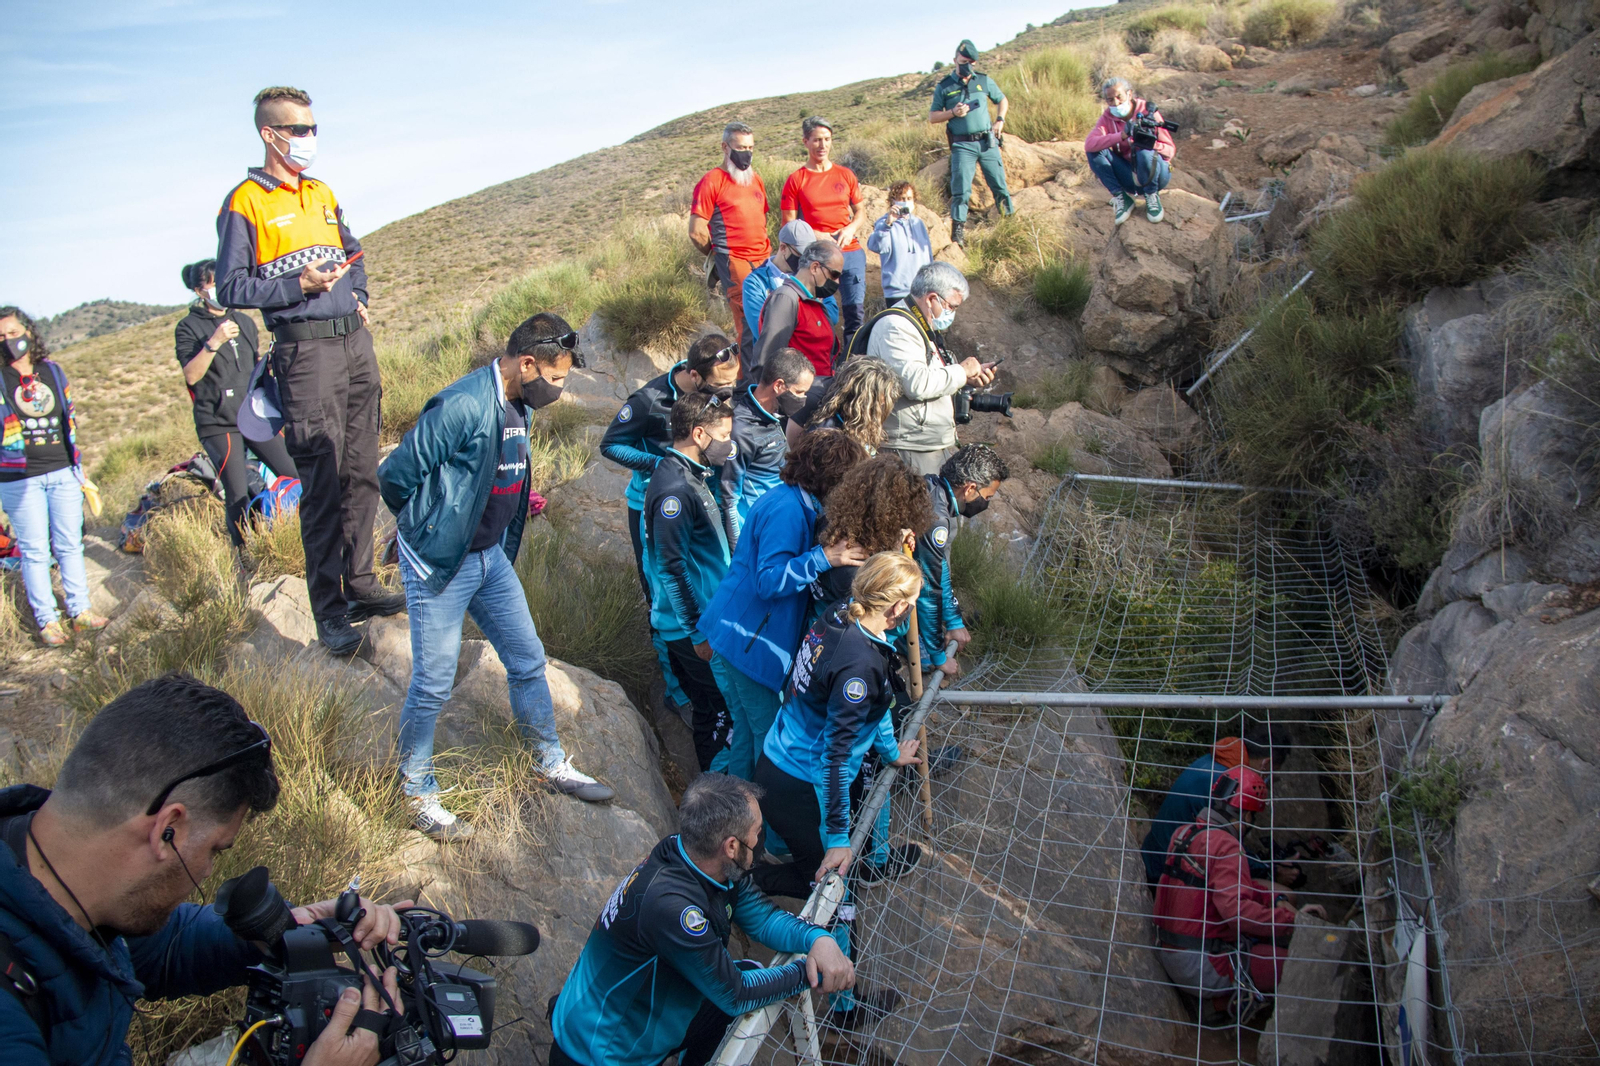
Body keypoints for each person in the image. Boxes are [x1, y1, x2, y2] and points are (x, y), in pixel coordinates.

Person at [0, 673, 413, 1066]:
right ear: (168, 829)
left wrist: (291, 930)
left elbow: (165, 945)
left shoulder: (57, 870)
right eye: (216, 849)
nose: (208, 873)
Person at [378, 313, 614, 841]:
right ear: (526, 363)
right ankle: (416, 790)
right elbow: (396, 478)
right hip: (443, 564)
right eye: (554, 379)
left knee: (527, 658)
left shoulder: (517, 404)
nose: (558, 389)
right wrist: (430, 532)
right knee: (435, 682)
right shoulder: (461, 404)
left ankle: (547, 761)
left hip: (489, 560)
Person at [216, 86, 402, 656]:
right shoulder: (244, 202)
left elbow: (355, 248)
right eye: (298, 130)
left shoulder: (322, 191)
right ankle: (329, 612)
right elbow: (231, 285)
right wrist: (296, 285)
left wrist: (360, 292)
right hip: (304, 357)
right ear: (271, 135)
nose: (309, 139)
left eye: (313, 128)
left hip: (355, 348)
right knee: (322, 486)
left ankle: (363, 584)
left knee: (362, 473)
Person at [549, 773, 854, 1066]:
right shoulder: (673, 910)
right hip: (601, 1051)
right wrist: (808, 973)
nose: (762, 837)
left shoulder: (696, 855)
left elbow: (762, 920)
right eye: (758, 832)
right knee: (740, 988)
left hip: (645, 1013)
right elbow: (736, 995)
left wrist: (818, 939)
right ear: (732, 846)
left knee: (749, 971)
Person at [754, 552, 926, 1023]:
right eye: (911, 601)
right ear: (895, 609)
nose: (912, 610)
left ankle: (757, 880)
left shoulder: (839, 616)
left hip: (777, 761)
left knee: (819, 871)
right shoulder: (859, 665)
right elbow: (833, 757)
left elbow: (880, 704)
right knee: (837, 891)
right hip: (802, 784)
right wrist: (837, 838)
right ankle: (844, 1006)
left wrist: (891, 753)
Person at [702, 429, 868, 784]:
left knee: (745, 735)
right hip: (745, 645)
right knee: (767, 744)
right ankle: (764, 828)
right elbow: (769, 580)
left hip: (738, 637)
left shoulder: (793, 500)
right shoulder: (788, 511)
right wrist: (824, 557)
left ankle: (728, 808)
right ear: (832, 479)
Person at [601, 334, 741, 715]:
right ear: (694, 376)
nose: (729, 393)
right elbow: (609, 445)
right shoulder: (649, 400)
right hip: (656, 501)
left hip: (699, 494)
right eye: (720, 386)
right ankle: (676, 688)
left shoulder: (717, 403)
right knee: (660, 591)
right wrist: (661, 464)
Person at [1152, 765, 1326, 1024]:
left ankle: (1219, 998)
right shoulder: (1228, 847)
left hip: (1171, 954)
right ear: (1244, 816)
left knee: (1263, 938)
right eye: (1252, 817)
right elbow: (1236, 913)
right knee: (1295, 965)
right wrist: (1291, 922)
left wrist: (1271, 899)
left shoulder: (1184, 833)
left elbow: (1228, 888)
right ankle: (1221, 1003)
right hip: (1200, 966)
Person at [173, 259, 299, 553]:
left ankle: (290, 533)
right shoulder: (188, 327)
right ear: (198, 289)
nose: (219, 288)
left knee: (293, 472)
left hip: (252, 414)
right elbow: (191, 375)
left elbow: (255, 368)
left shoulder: (243, 320)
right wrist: (213, 343)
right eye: (212, 283)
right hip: (218, 422)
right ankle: (245, 554)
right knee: (237, 492)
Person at [642, 392, 737, 772]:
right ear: (699, 435)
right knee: (713, 711)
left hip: (706, 618)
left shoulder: (689, 473)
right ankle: (714, 798)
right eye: (724, 435)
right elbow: (671, 569)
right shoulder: (675, 492)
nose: (729, 445)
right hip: (691, 630)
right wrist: (698, 634)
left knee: (718, 708)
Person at [0, 308, 106, 646]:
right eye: (0, 337)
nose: (9, 341)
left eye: (13, 332)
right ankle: (48, 621)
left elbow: (68, 420)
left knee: (70, 544)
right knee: (34, 552)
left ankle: (81, 612)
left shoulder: (53, 372)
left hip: (62, 470)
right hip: (19, 478)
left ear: (29, 333)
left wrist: (78, 466)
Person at [870, 261, 995, 475]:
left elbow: (929, 376)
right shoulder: (896, 327)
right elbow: (916, 384)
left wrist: (966, 379)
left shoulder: (921, 327)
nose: (953, 314)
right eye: (952, 307)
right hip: (910, 448)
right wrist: (961, 371)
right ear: (931, 299)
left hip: (928, 445)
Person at [1141, 722, 1291, 884]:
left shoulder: (1218, 759)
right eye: (1270, 773)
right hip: (1168, 873)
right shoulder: (1229, 784)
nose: (1267, 779)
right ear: (1266, 764)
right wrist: (1270, 870)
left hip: (1156, 855)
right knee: (1279, 895)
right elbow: (1225, 850)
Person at [915, 444, 1008, 677]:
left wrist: (954, 621)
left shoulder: (932, 487)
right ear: (970, 488)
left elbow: (940, 569)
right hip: (859, 579)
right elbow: (929, 588)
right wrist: (938, 656)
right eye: (987, 497)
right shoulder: (935, 518)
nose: (985, 503)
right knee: (926, 661)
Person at [809, 454, 935, 614]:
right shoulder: (857, 570)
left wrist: (897, 537)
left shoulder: (833, 521)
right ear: (889, 519)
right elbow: (885, 622)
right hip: (845, 631)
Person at [689, 122, 770, 361]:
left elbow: (761, 217)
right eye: (740, 147)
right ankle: (745, 386)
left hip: (764, 259)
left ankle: (766, 375)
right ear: (725, 147)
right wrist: (718, 254)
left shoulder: (756, 180)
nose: (746, 153)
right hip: (735, 261)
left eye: (750, 147)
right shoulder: (712, 181)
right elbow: (696, 231)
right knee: (747, 324)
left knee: (769, 318)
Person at [780, 118, 866, 344]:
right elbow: (788, 226)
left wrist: (850, 228)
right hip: (817, 256)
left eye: (827, 139)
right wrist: (816, 235)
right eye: (817, 140)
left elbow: (860, 212)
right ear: (805, 142)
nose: (822, 145)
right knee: (818, 313)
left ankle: (853, 365)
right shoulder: (796, 180)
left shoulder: (845, 175)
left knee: (854, 313)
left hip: (850, 249)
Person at [719, 347, 814, 548]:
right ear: (779, 385)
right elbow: (729, 499)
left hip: (779, 524)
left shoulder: (777, 412)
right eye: (799, 392)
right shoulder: (742, 429)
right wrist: (739, 552)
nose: (803, 399)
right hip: (757, 535)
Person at [928, 40, 1014, 246]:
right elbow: (932, 117)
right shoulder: (945, 86)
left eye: (972, 62)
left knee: (999, 185)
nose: (968, 66)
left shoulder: (982, 81)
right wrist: (953, 113)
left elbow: (1002, 100)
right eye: (964, 61)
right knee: (961, 190)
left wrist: (1000, 120)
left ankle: (1010, 224)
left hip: (986, 142)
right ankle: (958, 233)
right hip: (962, 145)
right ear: (955, 60)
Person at [1085, 76, 1175, 226]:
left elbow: (1170, 150)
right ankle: (1121, 198)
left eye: (1119, 97)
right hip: (1129, 175)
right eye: (1110, 100)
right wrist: (1122, 135)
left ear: (1129, 94)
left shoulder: (1147, 111)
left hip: (1155, 172)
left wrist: (1148, 143)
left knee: (1143, 152)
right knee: (1094, 151)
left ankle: (1152, 195)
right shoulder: (1107, 117)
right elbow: (1089, 144)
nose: (1116, 103)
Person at [752, 239, 843, 382]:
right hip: (795, 397)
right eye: (834, 275)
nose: (837, 282)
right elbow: (768, 359)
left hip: (816, 393)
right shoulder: (787, 299)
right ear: (814, 267)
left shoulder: (814, 302)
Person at [741, 220, 839, 345]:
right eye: (801, 255)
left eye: (810, 257)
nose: (806, 261)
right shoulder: (755, 283)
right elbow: (763, 330)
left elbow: (833, 315)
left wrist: (790, 319)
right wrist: (813, 316)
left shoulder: (813, 272)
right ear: (783, 248)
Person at [794, 355, 901, 456]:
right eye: (879, 401)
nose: (882, 404)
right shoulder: (825, 426)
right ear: (862, 399)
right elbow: (794, 445)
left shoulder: (860, 421)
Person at [865, 181, 934, 303]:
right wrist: (888, 224)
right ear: (893, 201)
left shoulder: (919, 224)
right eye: (902, 198)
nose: (906, 201)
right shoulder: (884, 223)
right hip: (897, 293)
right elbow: (876, 246)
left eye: (909, 198)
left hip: (922, 290)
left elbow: (928, 256)